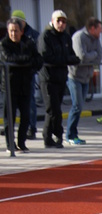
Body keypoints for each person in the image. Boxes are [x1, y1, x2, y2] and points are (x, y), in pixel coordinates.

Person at [38, 10, 80, 149]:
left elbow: (73, 56)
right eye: (58, 21)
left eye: (63, 21)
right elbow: (47, 57)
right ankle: (57, 136)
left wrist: (68, 60)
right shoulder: (46, 36)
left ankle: (47, 136)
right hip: (48, 78)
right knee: (53, 109)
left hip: (61, 77)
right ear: (53, 21)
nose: (61, 24)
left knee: (54, 109)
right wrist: (66, 60)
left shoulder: (66, 37)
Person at [0, 17, 43, 153]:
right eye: (11, 31)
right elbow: (9, 59)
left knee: (26, 116)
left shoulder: (28, 43)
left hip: (25, 84)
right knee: (9, 118)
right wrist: (27, 61)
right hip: (9, 86)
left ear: (21, 31)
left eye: (16, 31)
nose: (13, 34)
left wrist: (28, 64)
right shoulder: (4, 44)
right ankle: (10, 145)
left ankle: (21, 143)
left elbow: (38, 60)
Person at [66, 17, 102, 145]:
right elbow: (81, 57)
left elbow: (99, 58)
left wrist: (90, 55)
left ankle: (73, 133)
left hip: (86, 77)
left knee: (79, 107)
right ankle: (70, 134)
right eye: (99, 29)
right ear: (92, 28)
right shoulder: (79, 37)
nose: (100, 33)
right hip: (75, 76)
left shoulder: (96, 39)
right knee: (77, 105)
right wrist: (92, 55)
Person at [11, 10, 39, 140]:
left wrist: (31, 68)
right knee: (13, 104)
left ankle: (31, 127)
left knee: (30, 101)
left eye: (18, 22)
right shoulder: (9, 38)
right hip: (14, 77)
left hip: (28, 75)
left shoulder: (32, 36)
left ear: (23, 22)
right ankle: (11, 132)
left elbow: (36, 56)